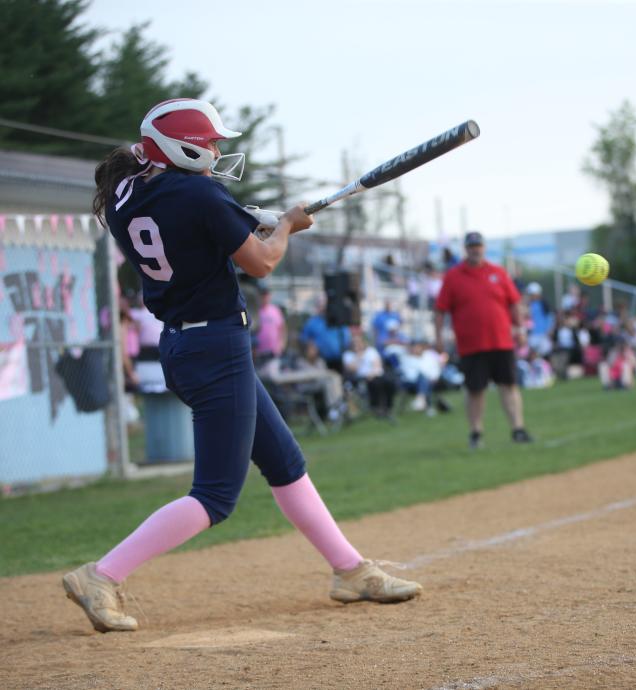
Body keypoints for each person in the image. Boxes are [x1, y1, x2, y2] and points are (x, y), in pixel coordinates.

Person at [65, 98, 420, 634]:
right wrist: (286, 228)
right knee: (214, 496)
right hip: (215, 347)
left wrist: (249, 219)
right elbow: (262, 261)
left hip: (185, 346)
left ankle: (351, 570)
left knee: (284, 461)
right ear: (180, 148)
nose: (214, 152)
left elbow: (193, 222)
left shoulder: (124, 190)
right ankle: (102, 574)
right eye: (207, 143)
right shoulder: (199, 192)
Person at [434, 231, 533, 449]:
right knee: (475, 390)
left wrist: (520, 329)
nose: (475, 249)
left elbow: (514, 303)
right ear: (465, 249)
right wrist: (438, 337)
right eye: (471, 246)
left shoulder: (497, 272)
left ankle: (518, 429)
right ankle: (476, 433)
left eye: (478, 246)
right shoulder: (453, 276)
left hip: (501, 341)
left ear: (484, 247)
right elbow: (440, 310)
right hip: (471, 345)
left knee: (508, 385)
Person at [300, 295, 351, 372]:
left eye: (324, 305)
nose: (322, 307)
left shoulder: (337, 320)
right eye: (319, 305)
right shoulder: (311, 322)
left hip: (340, 360)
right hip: (321, 361)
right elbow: (304, 340)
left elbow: (346, 336)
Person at [256, 286, 286, 360]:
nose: (264, 297)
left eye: (266, 295)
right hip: (259, 352)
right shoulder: (256, 311)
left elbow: (283, 329)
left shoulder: (275, 310)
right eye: (263, 295)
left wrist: (281, 345)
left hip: (273, 352)